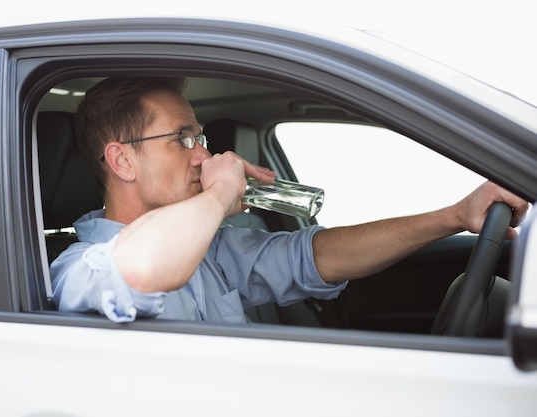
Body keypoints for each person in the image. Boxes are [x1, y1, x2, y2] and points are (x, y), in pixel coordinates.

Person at [50, 76, 529, 323]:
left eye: (202, 138)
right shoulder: (78, 269)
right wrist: (219, 194)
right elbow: (137, 272)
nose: (203, 156)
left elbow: (316, 256)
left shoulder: (210, 253)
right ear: (123, 161)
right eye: (183, 138)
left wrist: (452, 215)